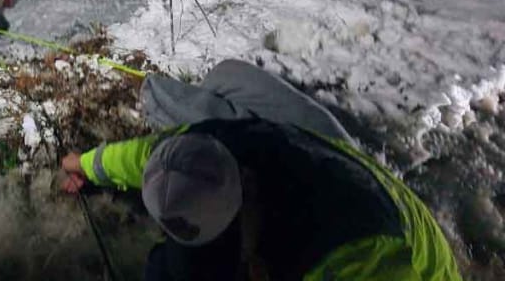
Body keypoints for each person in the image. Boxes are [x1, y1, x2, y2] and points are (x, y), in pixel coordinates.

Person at [60, 60, 462, 281]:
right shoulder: (207, 142)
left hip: (409, 251)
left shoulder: (356, 257)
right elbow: (142, 157)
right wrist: (85, 165)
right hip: (303, 158)